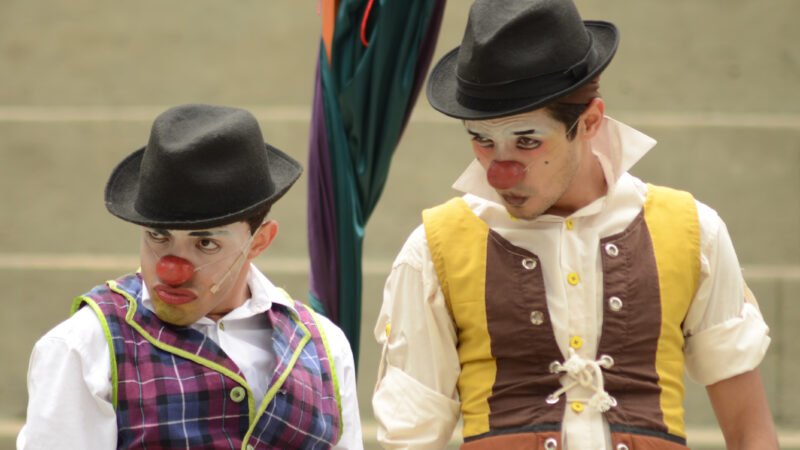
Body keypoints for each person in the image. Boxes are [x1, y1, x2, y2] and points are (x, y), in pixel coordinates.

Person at [372, 1, 777, 449]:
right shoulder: (434, 250)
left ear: (589, 121)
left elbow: (750, 434)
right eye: (482, 140)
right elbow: (410, 439)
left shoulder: (693, 231)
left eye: (526, 141)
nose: (498, 170)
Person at [18, 104, 363, 450]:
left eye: (205, 243)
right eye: (158, 236)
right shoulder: (84, 347)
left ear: (259, 240)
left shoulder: (324, 347)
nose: (171, 269)